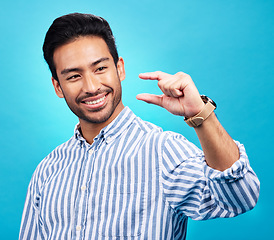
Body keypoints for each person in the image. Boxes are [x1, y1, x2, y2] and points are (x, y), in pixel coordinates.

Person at [19, 13, 260, 240]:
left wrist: (201, 115)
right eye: (73, 76)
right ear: (58, 86)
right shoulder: (47, 171)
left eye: (100, 68)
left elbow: (241, 197)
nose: (91, 86)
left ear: (119, 68)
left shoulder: (163, 151)